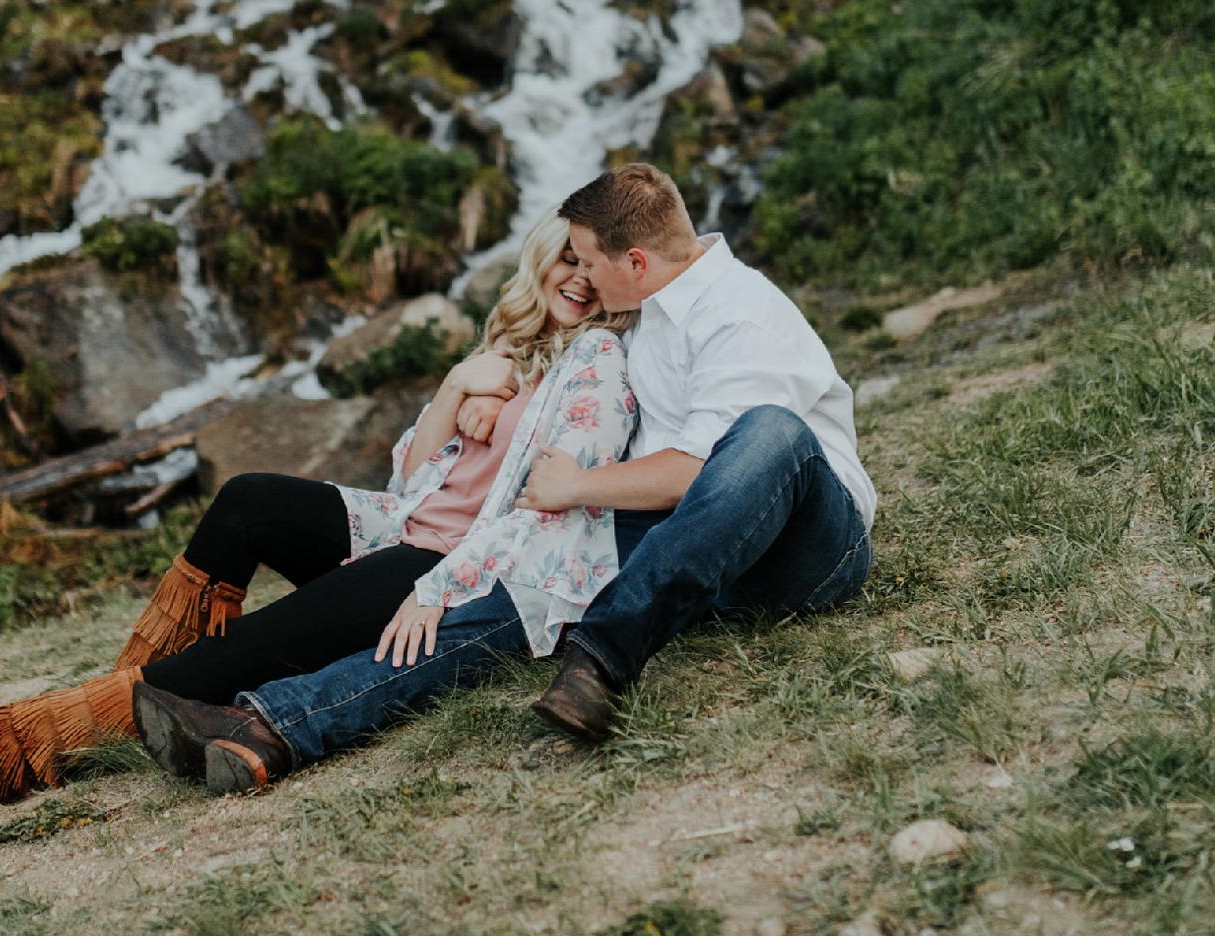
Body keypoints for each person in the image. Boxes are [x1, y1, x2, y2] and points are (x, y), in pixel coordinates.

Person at [133, 163, 876, 794]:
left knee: (770, 432)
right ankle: (278, 723)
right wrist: (487, 406)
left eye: (589, 258)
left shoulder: (740, 315)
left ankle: (600, 658)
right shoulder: (641, 309)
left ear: (636, 262)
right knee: (538, 568)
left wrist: (575, 489)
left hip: (803, 545)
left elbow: (694, 473)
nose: (579, 272)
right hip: (695, 553)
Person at [0, 207, 635, 802]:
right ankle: (135, 691)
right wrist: (457, 384)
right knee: (248, 499)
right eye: (565, 256)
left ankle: (13, 749)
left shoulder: (596, 361)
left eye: (590, 265)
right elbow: (412, 480)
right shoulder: (514, 353)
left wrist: (438, 587)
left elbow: (548, 512)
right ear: (539, 258)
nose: (576, 276)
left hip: (439, 577)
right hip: (398, 534)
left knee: (240, 652)